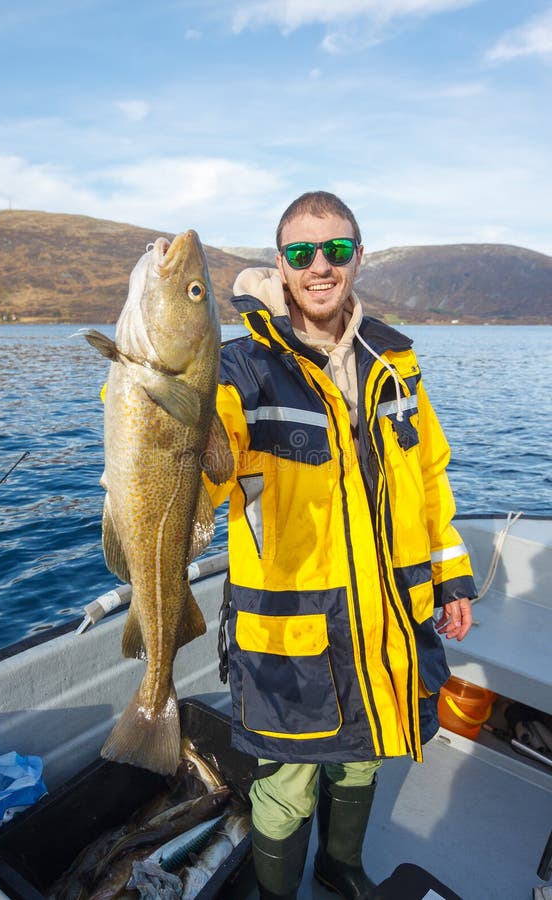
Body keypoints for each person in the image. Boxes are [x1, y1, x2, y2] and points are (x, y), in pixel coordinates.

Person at [205, 191, 476, 900]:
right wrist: (156, 388)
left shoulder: (395, 359)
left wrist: (451, 578)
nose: (319, 265)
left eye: (335, 249)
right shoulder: (238, 370)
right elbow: (199, 463)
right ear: (281, 265)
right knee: (288, 784)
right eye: (302, 252)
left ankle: (340, 866)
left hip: (389, 615)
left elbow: (428, 474)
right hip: (294, 630)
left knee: (365, 755)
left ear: (359, 257)